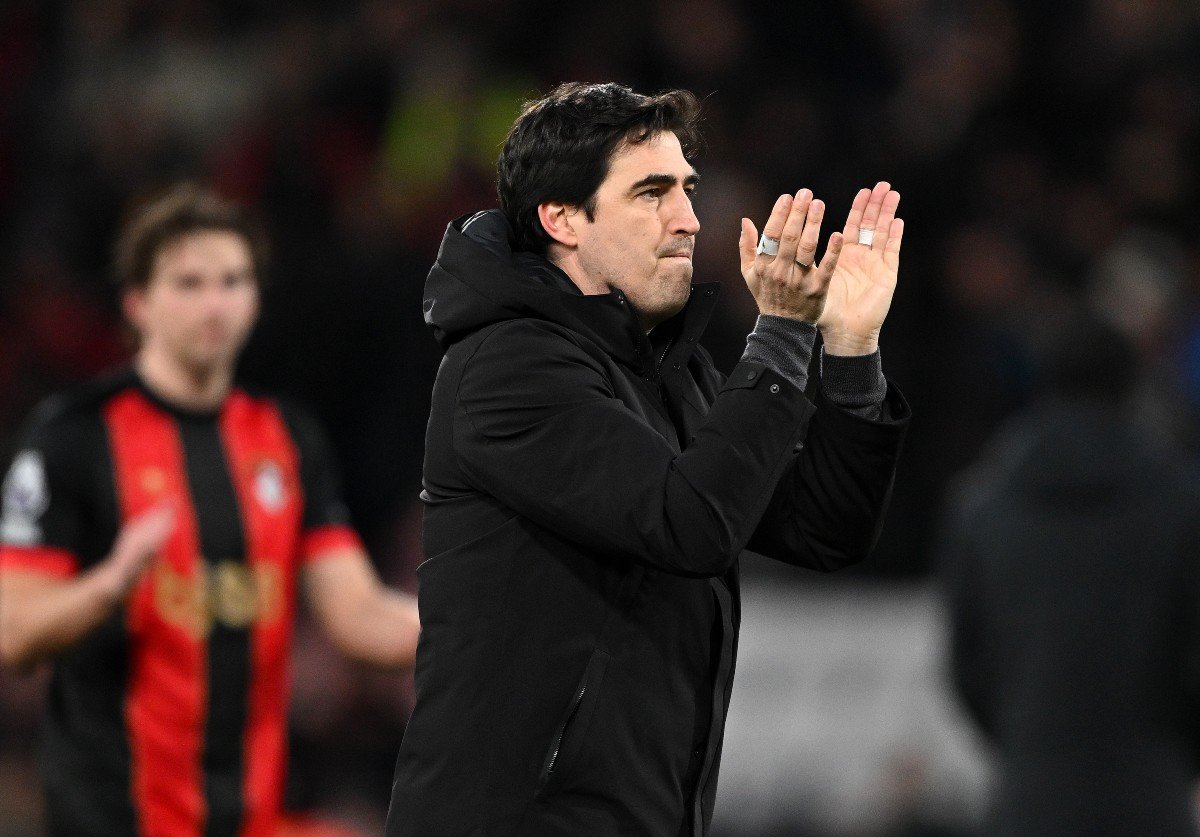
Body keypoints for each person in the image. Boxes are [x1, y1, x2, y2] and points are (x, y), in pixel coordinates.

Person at [386, 82, 910, 836]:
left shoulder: (668, 372)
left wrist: (850, 349)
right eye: (652, 193)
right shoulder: (509, 368)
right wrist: (783, 332)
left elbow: (823, 529)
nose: (689, 219)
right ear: (562, 218)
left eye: (689, 190)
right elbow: (690, 522)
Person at [0, 184, 422, 836]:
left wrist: (485, 630)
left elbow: (358, 615)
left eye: (232, 281)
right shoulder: (72, 437)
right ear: (138, 302)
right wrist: (111, 584)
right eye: (189, 283)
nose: (214, 303)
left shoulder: (286, 437)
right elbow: (15, 631)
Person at [939, 310, 1200, 835]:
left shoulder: (981, 506)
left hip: (1029, 794)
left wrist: (1021, 738)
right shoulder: (1181, 503)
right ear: (1130, 384)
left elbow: (967, 663)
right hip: (1151, 793)